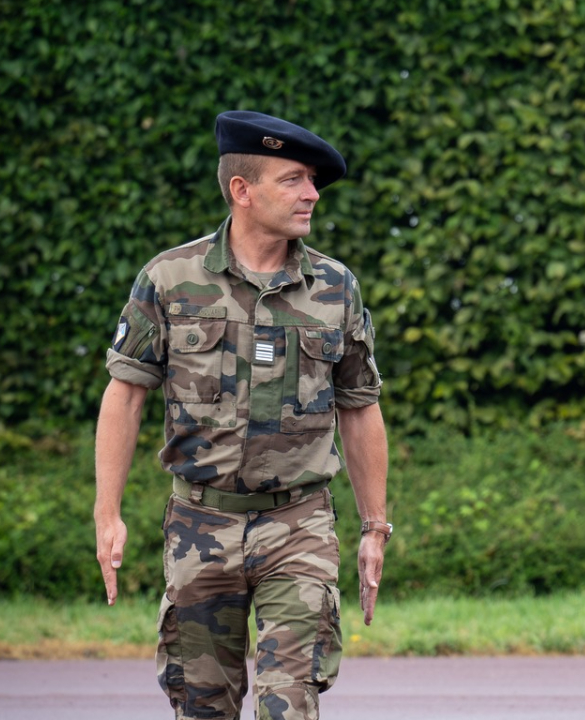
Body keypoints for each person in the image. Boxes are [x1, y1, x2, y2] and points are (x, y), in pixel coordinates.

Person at [93, 110, 389, 720]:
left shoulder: (335, 287)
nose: (311, 193)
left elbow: (360, 406)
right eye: (294, 179)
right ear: (241, 190)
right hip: (200, 525)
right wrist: (108, 513)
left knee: (290, 705)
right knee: (202, 707)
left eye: (313, 180)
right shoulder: (170, 278)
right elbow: (125, 393)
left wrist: (374, 526)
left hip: (299, 527)